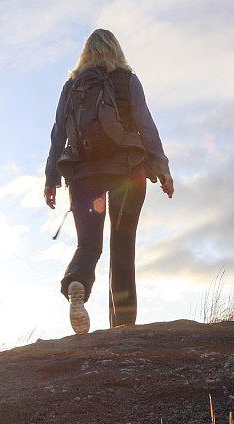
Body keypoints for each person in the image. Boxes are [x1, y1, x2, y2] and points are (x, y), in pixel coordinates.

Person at [44, 29, 173, 334]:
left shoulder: (72, 86)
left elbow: (57, 134)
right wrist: (162, 167)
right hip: (128, 170)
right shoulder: (127, 81)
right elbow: (146, 125)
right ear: (116, 50)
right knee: (122, 247)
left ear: (85, 53)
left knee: (88, 244)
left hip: (82, 172)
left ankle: (77, 281)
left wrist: (51, 177)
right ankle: (123, 329)